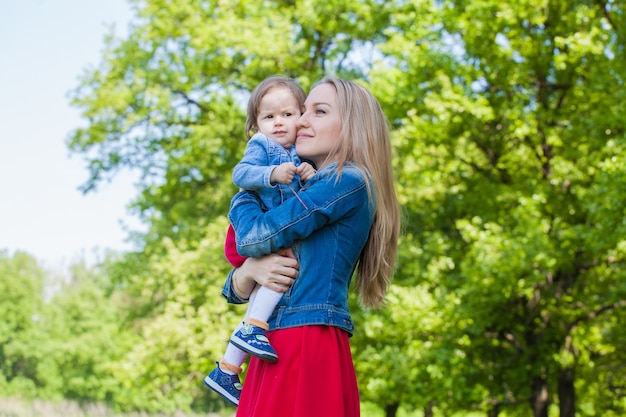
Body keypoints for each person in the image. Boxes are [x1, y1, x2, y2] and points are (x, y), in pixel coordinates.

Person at [218, 76, 401, 417]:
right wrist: (246, 273)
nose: (301, 120)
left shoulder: (347, 181)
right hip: (274, 340)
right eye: (303, 111)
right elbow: (245, 278)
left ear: (352, 127)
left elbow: (254, 238)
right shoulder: (307, 185)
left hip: (305, 340)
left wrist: (241, 200)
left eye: (318, 111)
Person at [204, 75, 316, 406]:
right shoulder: (263, 147)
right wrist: (271, 174)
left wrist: (309, 175)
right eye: (269, 117)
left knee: (271, 281)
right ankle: (253, 327)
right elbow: (240, 174)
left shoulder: (301, 154)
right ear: (256, 126)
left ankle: (227, 368)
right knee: (284, 267)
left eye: (287, 114)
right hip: (247, 232)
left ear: (302, 116)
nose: (278, 122)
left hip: (268, 234)